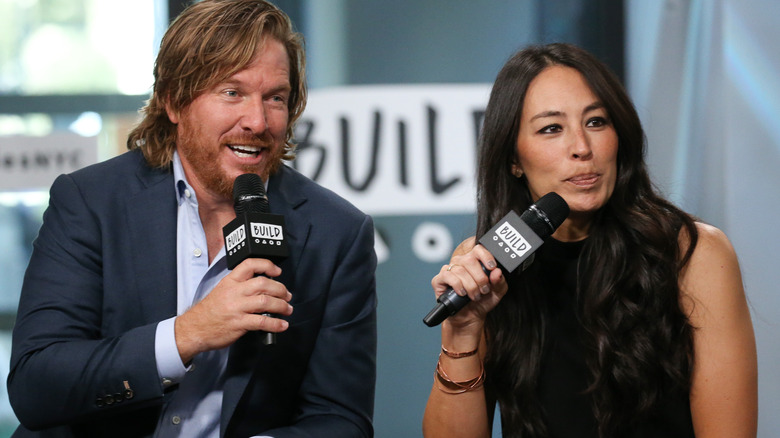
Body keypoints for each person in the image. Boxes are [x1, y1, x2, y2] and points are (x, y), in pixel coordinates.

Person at [7, 1, 377, 437]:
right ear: (174, 101)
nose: (257, 121)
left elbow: (341, 420)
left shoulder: (337, 232)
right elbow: (37, 385)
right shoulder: (90, 202)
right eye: (232, 93)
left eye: (275, 98)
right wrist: (186, 335)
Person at [422, 43, 757, 438]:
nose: (582, 148)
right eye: (552, 129)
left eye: (596, 122)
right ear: (513, 158)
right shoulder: (489, 262)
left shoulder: (693, 254)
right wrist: (463, 330)